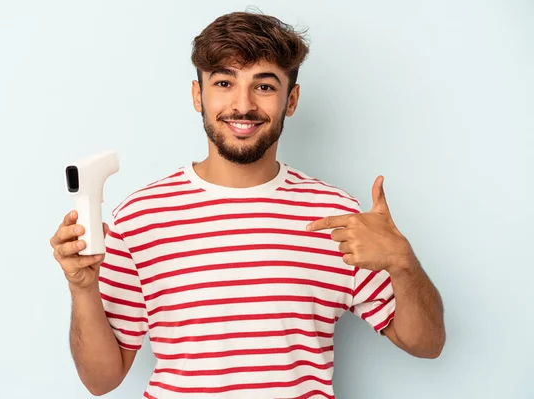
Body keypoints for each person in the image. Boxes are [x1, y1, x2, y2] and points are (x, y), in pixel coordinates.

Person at [50, 10, 445, 399]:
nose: (243, 105)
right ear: (196, 95)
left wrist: (403, 264)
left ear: (291, 100)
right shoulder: (139, 217)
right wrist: (82, 289)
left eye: (264, 86)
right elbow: (100, 381)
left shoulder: (336, 215)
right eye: (224, 82)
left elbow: (426, 344)